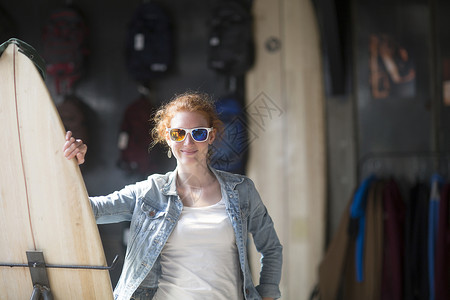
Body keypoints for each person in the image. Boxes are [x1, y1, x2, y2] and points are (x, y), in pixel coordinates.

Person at [63, 91, 283, 300]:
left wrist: (267, 294)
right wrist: (70, 167)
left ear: (211, 136)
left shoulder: (241, 191)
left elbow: (271, 248)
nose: (188, 143)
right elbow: (89, 211)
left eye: (198, 133)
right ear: (167, 137)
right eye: (178, 133)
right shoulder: (150, 192)